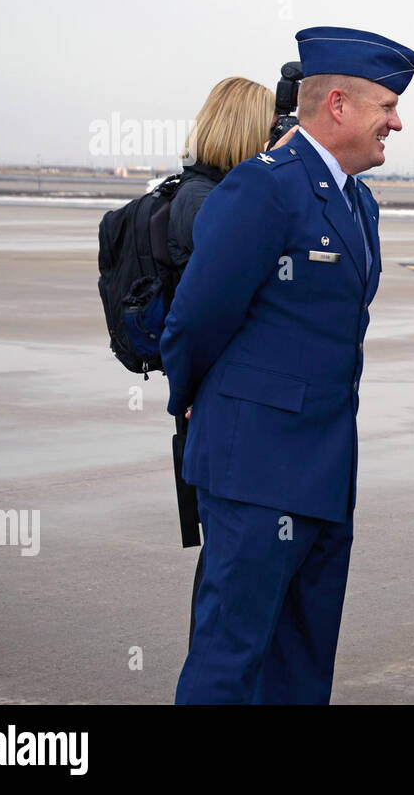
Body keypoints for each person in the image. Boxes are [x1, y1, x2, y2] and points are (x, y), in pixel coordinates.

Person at [161, 26, 414, 703]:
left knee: (302, 667)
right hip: (254, 469)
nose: (397, 121)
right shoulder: (264, 188)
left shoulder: (357, 201)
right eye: (387, 106)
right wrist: (194, 401)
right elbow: (193, 319)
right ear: (338, 104)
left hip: (326, 474)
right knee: (230, 659)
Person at [166, 76, 279, 649]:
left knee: (226, 567)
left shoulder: (200, 193)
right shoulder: (212, 204)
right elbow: (202, 318)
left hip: (209, 404)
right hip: (215, 410)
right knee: (227, 577)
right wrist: (184, 394)